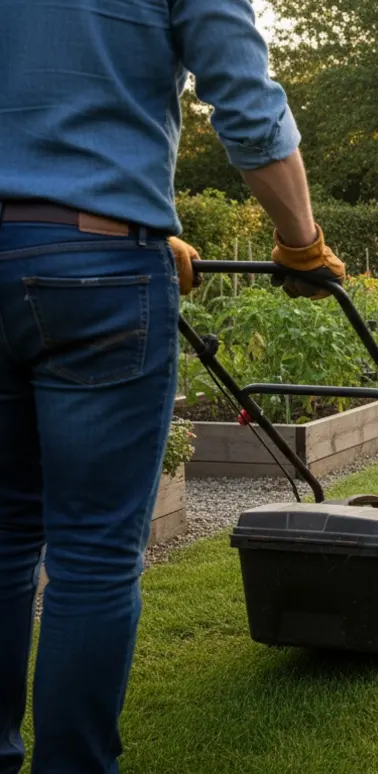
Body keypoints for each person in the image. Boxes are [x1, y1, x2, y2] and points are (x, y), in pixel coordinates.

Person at [0, 0, 345, 771]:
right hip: (96, 271)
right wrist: (301, 243)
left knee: (3, 537)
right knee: (91, 553)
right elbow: (247, 106)